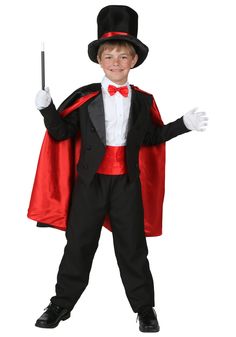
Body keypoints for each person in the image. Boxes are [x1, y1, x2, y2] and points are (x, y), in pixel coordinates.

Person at [29, 5, 208, 333]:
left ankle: (144, 308)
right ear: (99, 60)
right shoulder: (85, 97)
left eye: (123, 57)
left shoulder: (142, 100)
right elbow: (61, 134)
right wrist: (47, 109)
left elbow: (152, 138)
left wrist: (183, 124)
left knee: (133, 246)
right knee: (79, 244)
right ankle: (61, 304)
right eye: (109, 56)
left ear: (134, 61)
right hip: (90, 184)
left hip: (127, 182)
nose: (115, 63)